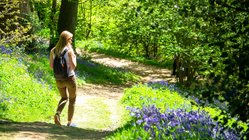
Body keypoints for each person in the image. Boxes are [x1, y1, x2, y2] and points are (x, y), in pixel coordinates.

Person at [49, 30, 77, 127]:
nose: (71, 41)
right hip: (69, 78)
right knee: (72, 99)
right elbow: (73, 67)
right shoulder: (69, 51)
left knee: (64, 97)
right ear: (67, 40)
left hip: (58, 79)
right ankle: (69, 122)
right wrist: (72, 56)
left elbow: (51, 66)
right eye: (71, 39)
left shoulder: (53, 50)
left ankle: (58, 113)